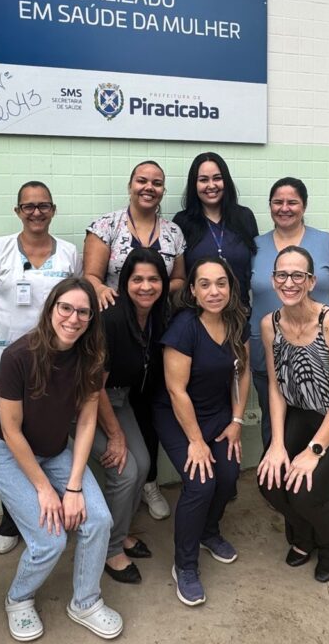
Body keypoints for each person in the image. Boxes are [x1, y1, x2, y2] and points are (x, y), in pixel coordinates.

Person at [0, 278, 122, 641]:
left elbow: (88, 420)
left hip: (57, 450)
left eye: (83, 312)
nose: (73, 318)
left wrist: (73, 486)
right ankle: (18, 598)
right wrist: (45, 489)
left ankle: (85, 602)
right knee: (50, 538)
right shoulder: (18, 356)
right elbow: (11, 431)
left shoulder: (91, 357)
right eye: (66, 308)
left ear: (91, 319)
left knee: (99, 520)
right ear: (51, 309)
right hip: (6, 452)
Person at [257, 247, 329, 583]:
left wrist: (313, 451)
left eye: (298, 275)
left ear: (311, 281)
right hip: (303, 412)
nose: (289, 282)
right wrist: (278, 444)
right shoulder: (271, 325)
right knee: (270, 481)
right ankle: (303, 536)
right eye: (282, 274)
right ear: (273, 279)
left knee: (308, 491)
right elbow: (277, 387)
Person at [0, 181, 78, 556]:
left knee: (46, 434)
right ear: (18, 211)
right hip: (9, 364)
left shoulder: (68, 254)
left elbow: (73, 304)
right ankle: (11, 518)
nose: (36, 212)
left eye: (44, 206)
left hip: (56, 366)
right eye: (28, 206)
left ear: (53, 210)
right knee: (8, 435)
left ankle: (44, 504)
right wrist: (7, 345)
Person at [84, 160, 187, 520]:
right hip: (114, 332)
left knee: (149, 411)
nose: (149, 187)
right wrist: (115, 300)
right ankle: (121, 485)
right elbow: (91, 278)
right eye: (142, 180)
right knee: (112, 399)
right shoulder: (106, 226)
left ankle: (148, 482)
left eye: (157, 182)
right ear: (130, 185)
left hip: (153, 329)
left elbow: (179, 280)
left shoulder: (173, 232)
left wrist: (153, 291)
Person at [156, 257, 250, 606]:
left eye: (221, 283)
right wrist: (195, 442)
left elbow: (242, 373)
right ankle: (185, 565)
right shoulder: (184, 327)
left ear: (230, 287)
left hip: (219, 415)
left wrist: (237, 422)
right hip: (178, 416)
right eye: (206, 284)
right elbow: (176, 390)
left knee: (227, 476)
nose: (215, 291)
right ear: (193, 291)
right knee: (200, 483)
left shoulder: (237, 321)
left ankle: (209, 532)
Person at [249, 178, 329, 448]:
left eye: (292, 202)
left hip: (319, 352)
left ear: (304, 206)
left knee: (318, 423)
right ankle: (276, 483)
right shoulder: (254, 247)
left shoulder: (327, 243)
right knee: (273, 422)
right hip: (267, 349)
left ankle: (313, 486)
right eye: (278, 202)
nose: (285, 208)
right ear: (270, 206)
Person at [92, 248, 169, 584]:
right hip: (84, 401)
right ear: (124, 283)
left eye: (153, 279)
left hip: (117, 399)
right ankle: (109, 551)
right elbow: (93, 387)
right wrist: (116, 436)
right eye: (137, 279)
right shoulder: (111, 318)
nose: (146, 286)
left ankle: (120, 533)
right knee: (125, 470)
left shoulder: (155, 317)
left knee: (141, 467)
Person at [172, 152, 258, 311]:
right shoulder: (182, 222)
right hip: (197, 315)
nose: (211, 185)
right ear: (194, 184)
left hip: (240, 313)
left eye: (217, 178)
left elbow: (253, 268)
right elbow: (179, 276)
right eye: (203, 180)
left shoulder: (244, 217)